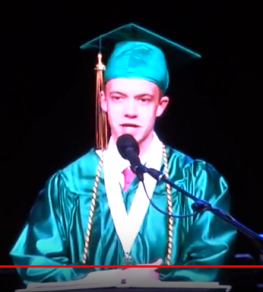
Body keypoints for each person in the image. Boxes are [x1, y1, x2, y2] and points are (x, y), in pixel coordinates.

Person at [10, 23, 236, 285]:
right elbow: (37, 265)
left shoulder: (196, 182)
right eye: (118, 97)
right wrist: (106, 281)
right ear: (103, 101)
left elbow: (208, 262)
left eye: (143, 99)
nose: (130, 111)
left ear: (160, 106)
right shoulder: (68, 184)